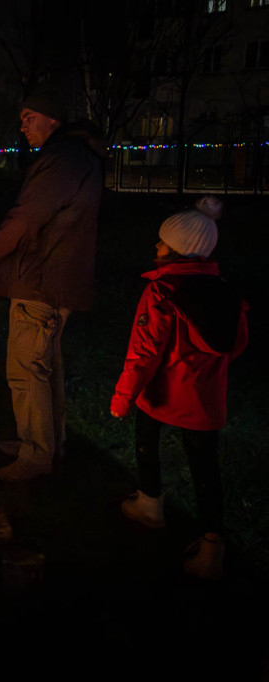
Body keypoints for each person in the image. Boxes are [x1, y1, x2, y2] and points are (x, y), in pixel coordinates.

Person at [110, 197, 247, 580]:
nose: (156, 247)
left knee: (146, 436)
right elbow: (235, 344)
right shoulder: (224, 290)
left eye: (162, 242)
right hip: (205, 399)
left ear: (178, 248)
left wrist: (123, 397)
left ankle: (149, 503)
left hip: (162, 393)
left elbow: (143, 352)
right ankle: (211, 548)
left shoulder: (161, 291)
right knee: (205, 467)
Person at [0, 91, 105, 482]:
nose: (23, 125)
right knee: (45, 369)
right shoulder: (79, 157)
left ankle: (36, 455)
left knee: (27, 371)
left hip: (40, 281)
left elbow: (25, 217)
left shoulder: (61, 159)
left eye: (30, 117)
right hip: (54, 281)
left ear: (52, 120)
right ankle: (47, 441)